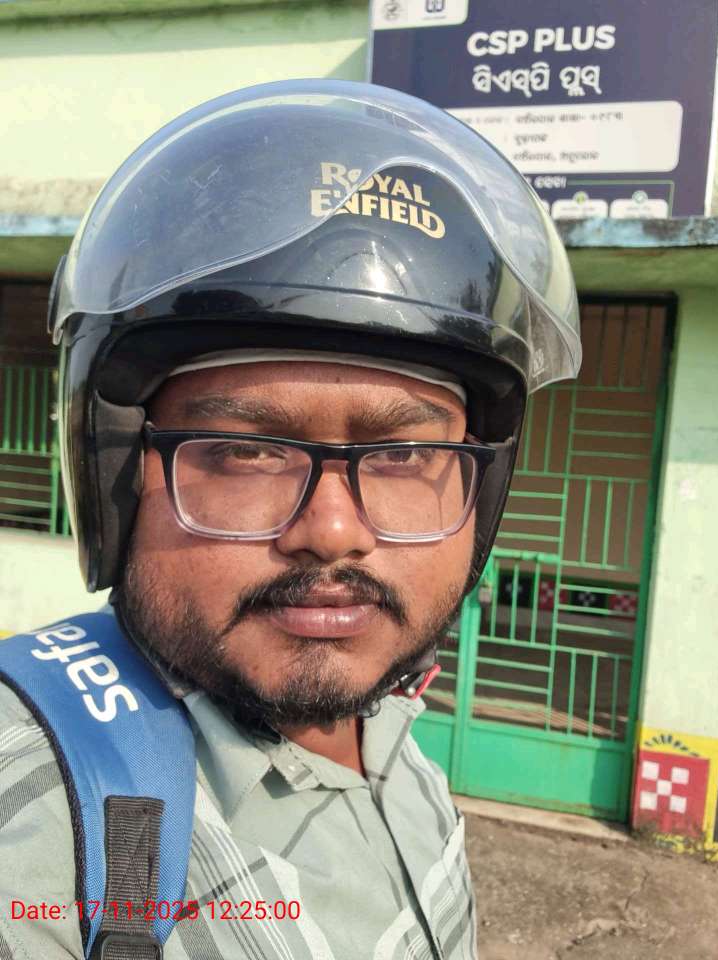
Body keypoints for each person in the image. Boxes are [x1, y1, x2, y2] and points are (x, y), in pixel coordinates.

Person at [0, 79, 580, 959]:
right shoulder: (40, 806)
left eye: (403, 456)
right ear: (115, 476)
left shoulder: (399, 750)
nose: (334, 532)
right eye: (248, 451)